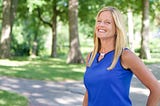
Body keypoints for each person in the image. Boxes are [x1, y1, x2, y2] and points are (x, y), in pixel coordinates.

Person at [83, 6, 160, 106]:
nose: (101, 25)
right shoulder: (91, 57)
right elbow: (89, 92)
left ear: (116, 28)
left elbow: (156, 88)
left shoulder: (125, 56)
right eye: (99, 21)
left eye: (107, 22)